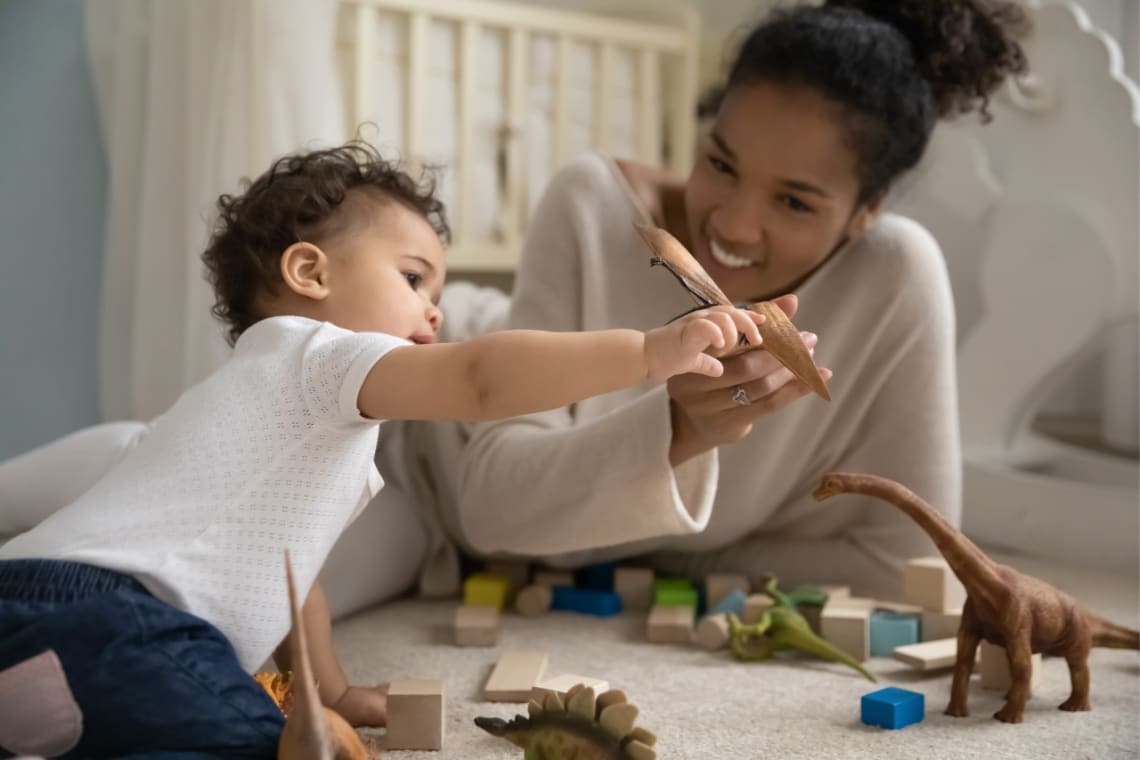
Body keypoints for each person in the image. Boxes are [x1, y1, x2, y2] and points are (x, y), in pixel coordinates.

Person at [0, 142, 765, 757]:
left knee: (164, 722)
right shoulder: (321, 357)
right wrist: (646, 350)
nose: (434, 312)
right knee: (265, 743)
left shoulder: (260, 410)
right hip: (119, 619)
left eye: (436, 293)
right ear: (309, 272)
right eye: (412, 278)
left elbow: (297, 584)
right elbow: (480, 379)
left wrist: (326, 690)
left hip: (35, 608)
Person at [431, 0, 1030, 598]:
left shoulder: (895, 272)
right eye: (720, 162)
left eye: (794, 202)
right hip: (421, 414)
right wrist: (678, 431)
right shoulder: (592, 207)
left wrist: (664, 557)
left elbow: (910, 570)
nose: (734, 226)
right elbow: (490, 514)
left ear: (867, 211)